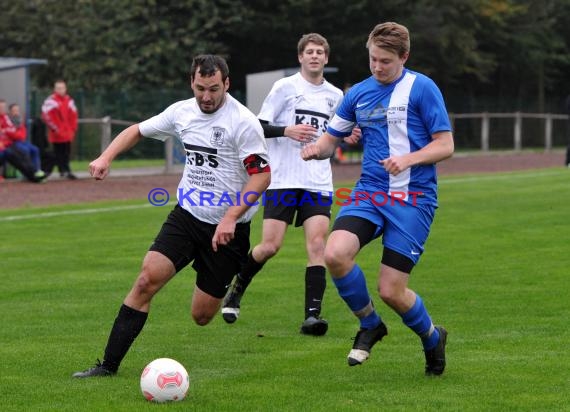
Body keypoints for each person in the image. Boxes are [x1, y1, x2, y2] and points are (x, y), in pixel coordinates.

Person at [72, 55, 270, 378]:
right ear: (192, 82)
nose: (206, 97)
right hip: (187, 217)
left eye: (214, 89)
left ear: (227, 85)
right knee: (146, 278)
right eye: (200, 88)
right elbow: (136, 130)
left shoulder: (243, 122)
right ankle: (107, 366)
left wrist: (231, 216)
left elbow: (261, 177)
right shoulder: (181, 112)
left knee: (202, 315)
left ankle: (236, 272)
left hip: (228, 230)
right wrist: (106, 156)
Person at [301, 22, 454, 375]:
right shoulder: (357, 94)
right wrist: (316, 150)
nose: (377, 67)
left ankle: (432, 338)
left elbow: (445, 144)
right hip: (369, 193)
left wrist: (409, 159)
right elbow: (331, 140)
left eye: (385, 61)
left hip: (413, 199)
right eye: (372, 59)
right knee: (335, 254)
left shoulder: (422, 88)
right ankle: (370, 324)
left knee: (392, 290)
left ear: (404, 57)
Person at [221, 33, 355, 335]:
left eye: (320, 52)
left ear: (326, 58)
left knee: (318, 246)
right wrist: (287, 130)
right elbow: (258, 126)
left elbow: (333, 138)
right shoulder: (285, 88)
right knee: (270, 246)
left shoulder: (336, 96)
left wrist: (347, 135)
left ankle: (312, 317)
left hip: (318, 181)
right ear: (300, 57)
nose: (315, 56)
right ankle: (237, 289)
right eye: (310, 51)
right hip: (283, 179)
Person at [41, 80, 78, 179]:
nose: (61, 90)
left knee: (66, 152)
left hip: (67, 133)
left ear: (65, 89)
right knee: (57, 153)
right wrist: (55, 129)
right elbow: (46, 116)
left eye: (62, 88)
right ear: (55, 89)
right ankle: (48, 170)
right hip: (57, 134)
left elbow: (74, 116)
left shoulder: (69, 100)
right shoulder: (51, 101)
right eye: (58, 88)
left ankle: (64, 170)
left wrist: (72, 129)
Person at [5, 103, 44, 173]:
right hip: (13, 143)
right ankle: (29, 172)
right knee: (25, 151)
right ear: (10, 112)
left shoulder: (20, 120)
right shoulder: (7, 121)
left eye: (17, 110)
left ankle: (37, 171)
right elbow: (11, 134)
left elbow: (23, 134)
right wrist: (17, 134)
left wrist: (17, 134)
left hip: (21, 141)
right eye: (14, 110)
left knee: (35, 149)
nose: (16, 112)